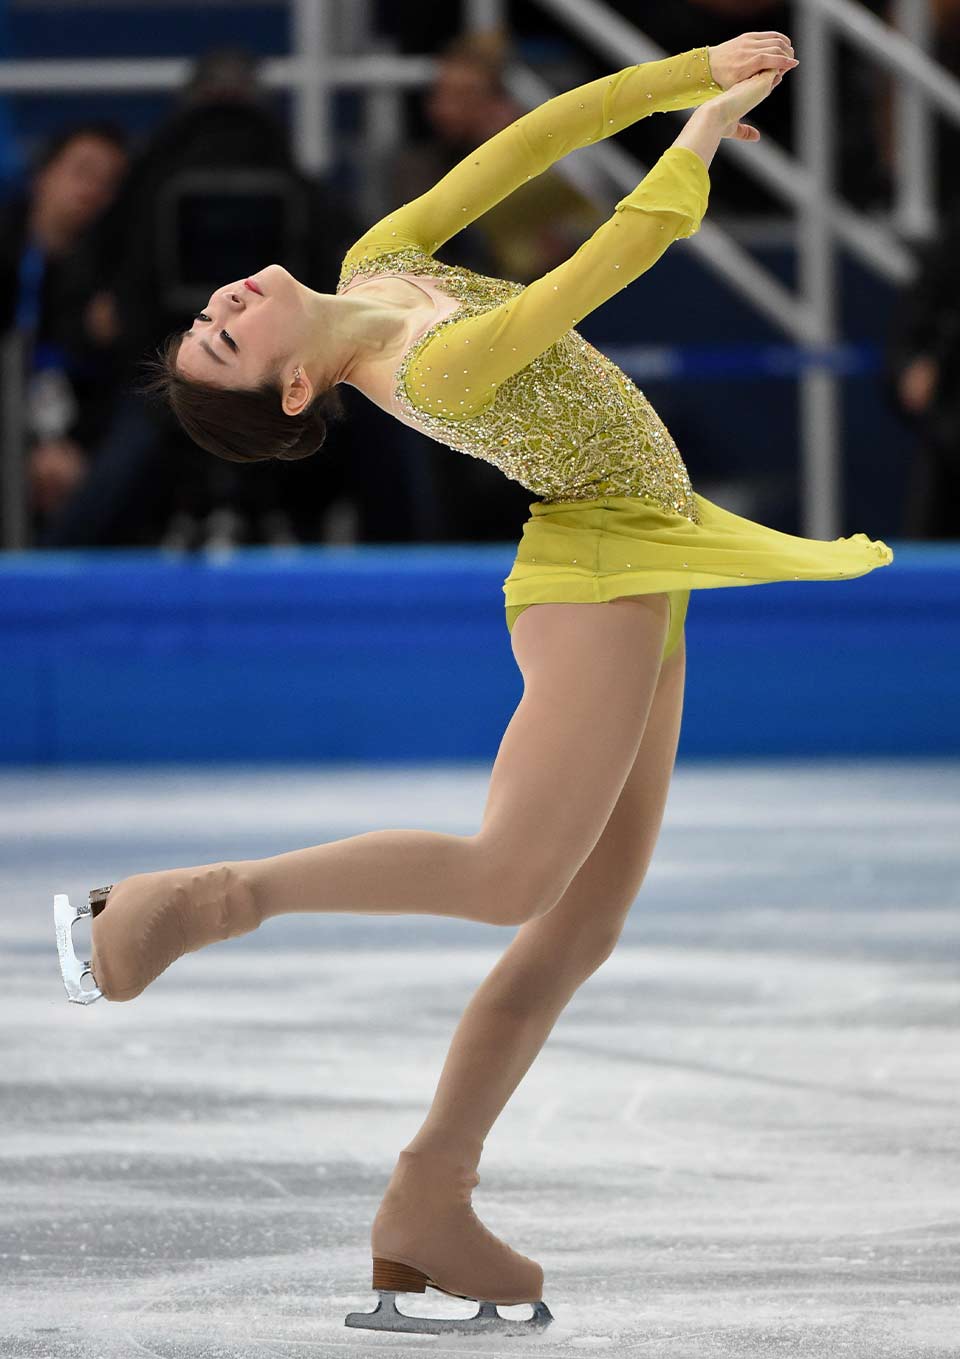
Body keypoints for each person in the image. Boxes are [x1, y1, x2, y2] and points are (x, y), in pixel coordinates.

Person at [56, 32, 894, 1336]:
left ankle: (429, 1201)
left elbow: (531, 139)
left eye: (209, 320)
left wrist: (690, 72)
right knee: (510, 877)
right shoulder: (430, 368)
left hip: (649, 554)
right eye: (226, 339)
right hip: (600, 564)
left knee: (579, 924)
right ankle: (199, 901)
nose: (220, 304)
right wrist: (694, 140)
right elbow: (604, 263)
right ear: (295, 386)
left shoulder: (378, 262)